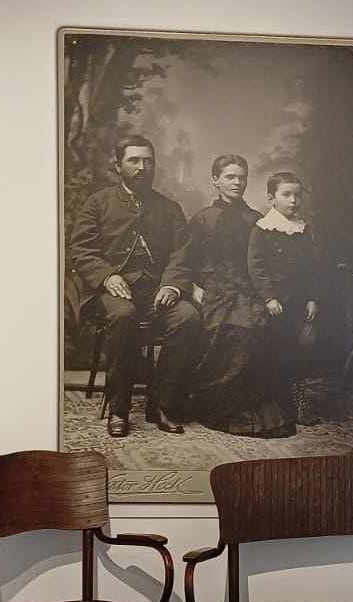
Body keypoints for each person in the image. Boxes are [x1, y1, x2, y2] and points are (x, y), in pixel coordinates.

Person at [67, 135, 202, 437]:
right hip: (111, 292)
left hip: (156, 290)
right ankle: (119, 409)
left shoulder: (169, 208)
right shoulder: (98, 203)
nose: (142, 167)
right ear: (118, 165)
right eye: (134, 160)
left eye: (147, 161)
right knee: (123, 315)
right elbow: (82, 249)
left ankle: (161, 404)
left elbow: (183, 251)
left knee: (188, 318)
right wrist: (107, 276)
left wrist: (172, 285)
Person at [186, 155, 295, 437]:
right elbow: (188, 259)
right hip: (213, 287)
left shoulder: (257, 220)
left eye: (242, 177)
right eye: (230, 177)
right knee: (234, 328)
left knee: (260, 324)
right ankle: (219, 404)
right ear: (216, 180)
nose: (237, 182)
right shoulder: (203, 218)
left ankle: (252, 404)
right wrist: (194, 287)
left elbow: (265, 262)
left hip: (249, 285)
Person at [247, 171, 322, 426]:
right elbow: (255, 267)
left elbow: (311, 267)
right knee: (274, 350)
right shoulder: (262, 229)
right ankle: (273, 400)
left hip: (298, 303)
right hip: (273, 304)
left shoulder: (303, 229)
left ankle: (299, 402)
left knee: (298, 351)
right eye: (286, 194)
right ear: (271, 199)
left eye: (297, 195)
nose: (293, 200)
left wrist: (312, 298)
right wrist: (269, 297)